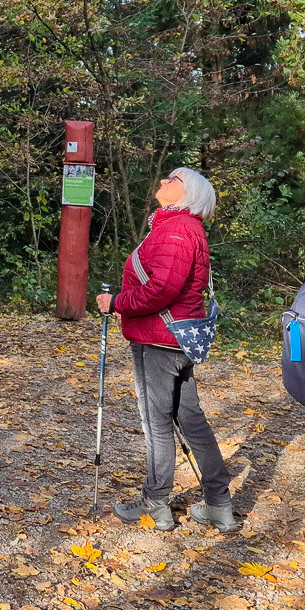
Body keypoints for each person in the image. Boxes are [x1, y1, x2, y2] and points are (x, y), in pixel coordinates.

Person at [94, 167, 235, 533]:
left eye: (171, 180)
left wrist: (117, 302)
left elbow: (162, 290)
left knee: (156, 422)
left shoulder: (177, 229)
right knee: (190, 419)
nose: (161, 182)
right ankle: (219, 503)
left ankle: (156, 503)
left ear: (188, 193)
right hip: (178, 338)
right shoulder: (182, 228)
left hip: (158, 339)